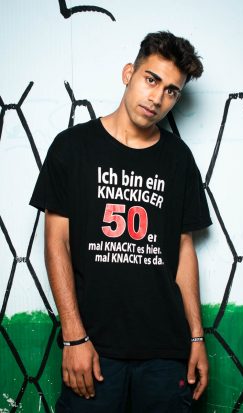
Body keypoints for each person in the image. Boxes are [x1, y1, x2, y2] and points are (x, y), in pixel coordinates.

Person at [30, 31, 212, 413]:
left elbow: (183, 252)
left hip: (166, 351)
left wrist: (197, 337)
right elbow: (55, 244)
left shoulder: (179, 160)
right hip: (93, 348)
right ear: (129, 73)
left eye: (172, 91)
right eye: (152, 79)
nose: (158, 98)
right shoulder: (72, 147)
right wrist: (73, 337)